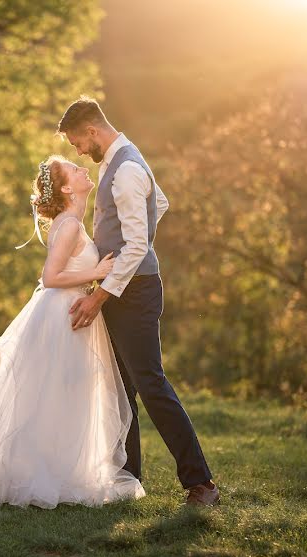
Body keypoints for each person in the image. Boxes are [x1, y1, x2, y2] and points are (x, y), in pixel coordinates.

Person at [0, 156, 145, 509]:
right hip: (62, 315)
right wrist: (97, 273)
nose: (83, 169)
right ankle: (45, 474)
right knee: (55, 392)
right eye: (75, 169)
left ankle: (56, 467)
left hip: (64, 312)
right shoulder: (70, 225)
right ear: (66, 188)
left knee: (56, 395)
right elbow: (50, 277)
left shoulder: (71, 222)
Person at [59, 96, 219, 506]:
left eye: (78, 141)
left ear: (93, 131)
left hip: (135, 292)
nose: (77, 150)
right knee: (121, 387)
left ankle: (201, 483)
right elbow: (158, 204)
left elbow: (135, 244)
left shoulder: (126, 167)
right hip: (122, 285)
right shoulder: (118, 161)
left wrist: (100, 295)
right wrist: (134, 247)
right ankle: (127, 479)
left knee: (151, 383)